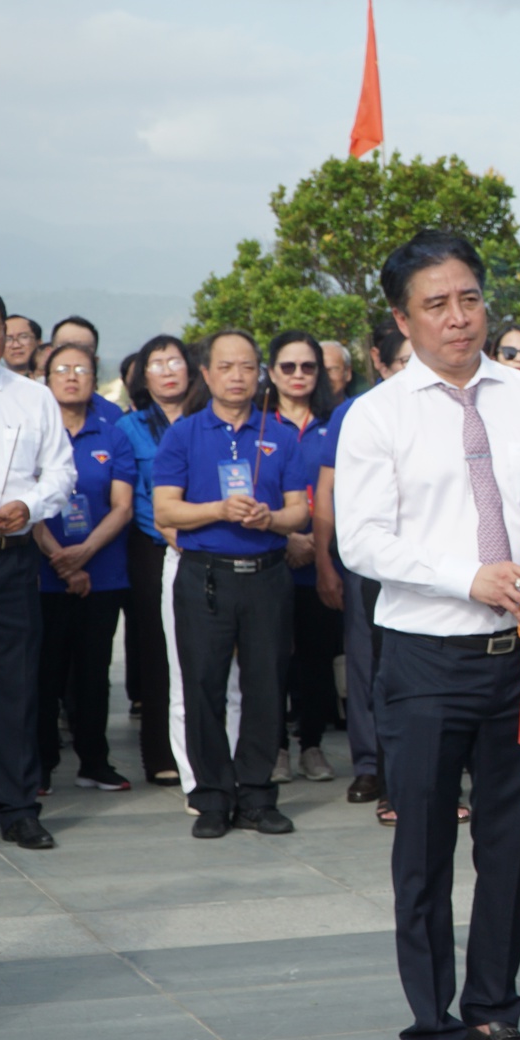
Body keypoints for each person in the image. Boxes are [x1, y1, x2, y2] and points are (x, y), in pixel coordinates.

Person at [335, 229, 520, 1040]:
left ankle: (491, 1007)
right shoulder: (379, 413)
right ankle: (433, 1029)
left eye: (470, 299)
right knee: (422, 853)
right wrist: (470, 576)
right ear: (404, 320)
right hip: (425, 660)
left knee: (512, 844)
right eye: (436, 305)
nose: (458, 318)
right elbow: (362, 540)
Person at [153, 329, 308, 838]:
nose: (237, 376)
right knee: (203, 686)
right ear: (207, 374)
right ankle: (212, 796)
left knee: (266, 685)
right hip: (205, 577)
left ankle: (258, 794)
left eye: (247, 366)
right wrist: (219, 509)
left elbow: (299, 511)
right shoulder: (184, 433)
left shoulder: (280, 434)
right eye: (226, 367)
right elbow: (166, 509)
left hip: (266, 576)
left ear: (259, 372)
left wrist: (271, 519)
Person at [0, 287, 74, 852]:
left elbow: (61, 474)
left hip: (13, 558)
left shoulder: (33, 397)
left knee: (16, 689)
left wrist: (32, 506)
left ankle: (18, 806)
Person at [313, 319, 409, 811]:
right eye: (403, 364)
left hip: (424, 567)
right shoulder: (357, 412)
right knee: (367, 666)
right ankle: (370, 766)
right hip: (367, 564)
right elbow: (326, 492)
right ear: (380, 363)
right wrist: (325, 559)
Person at [33, 341, 136, 793]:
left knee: (94, 673)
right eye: (62, 369)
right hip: (42, 572)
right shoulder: (33, 431)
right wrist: (61, 558)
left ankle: (95, 761)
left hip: (102, 572)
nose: (72, 376)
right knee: (43, 673)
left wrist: (84, 554)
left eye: (82, 369)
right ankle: (39, 764)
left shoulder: (112, 433)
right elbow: (25, 501)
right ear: (46, 378)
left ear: (95, 379)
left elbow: (123, 506)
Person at [263, 331, 340, 784]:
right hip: (274, 558)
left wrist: (319, 545)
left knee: (316, 660)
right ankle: (275, 747)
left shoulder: (336, 424)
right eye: (288, 367)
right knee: (272, 659)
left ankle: (312, 744)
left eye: (307, 367)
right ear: (271, 373)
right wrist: (289, 537)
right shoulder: (257, 425)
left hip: (324, 562)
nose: (298, 375)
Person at [118, 336, 194, 786]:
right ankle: (159, 753)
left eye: (175, 361)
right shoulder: (130, 428)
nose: (167, 371)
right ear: (143, 375)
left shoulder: (207, 420)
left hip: (206, 542)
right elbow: (138, 497)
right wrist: (172, 530)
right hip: (151, 545)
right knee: (156, 651)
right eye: (157, 363)